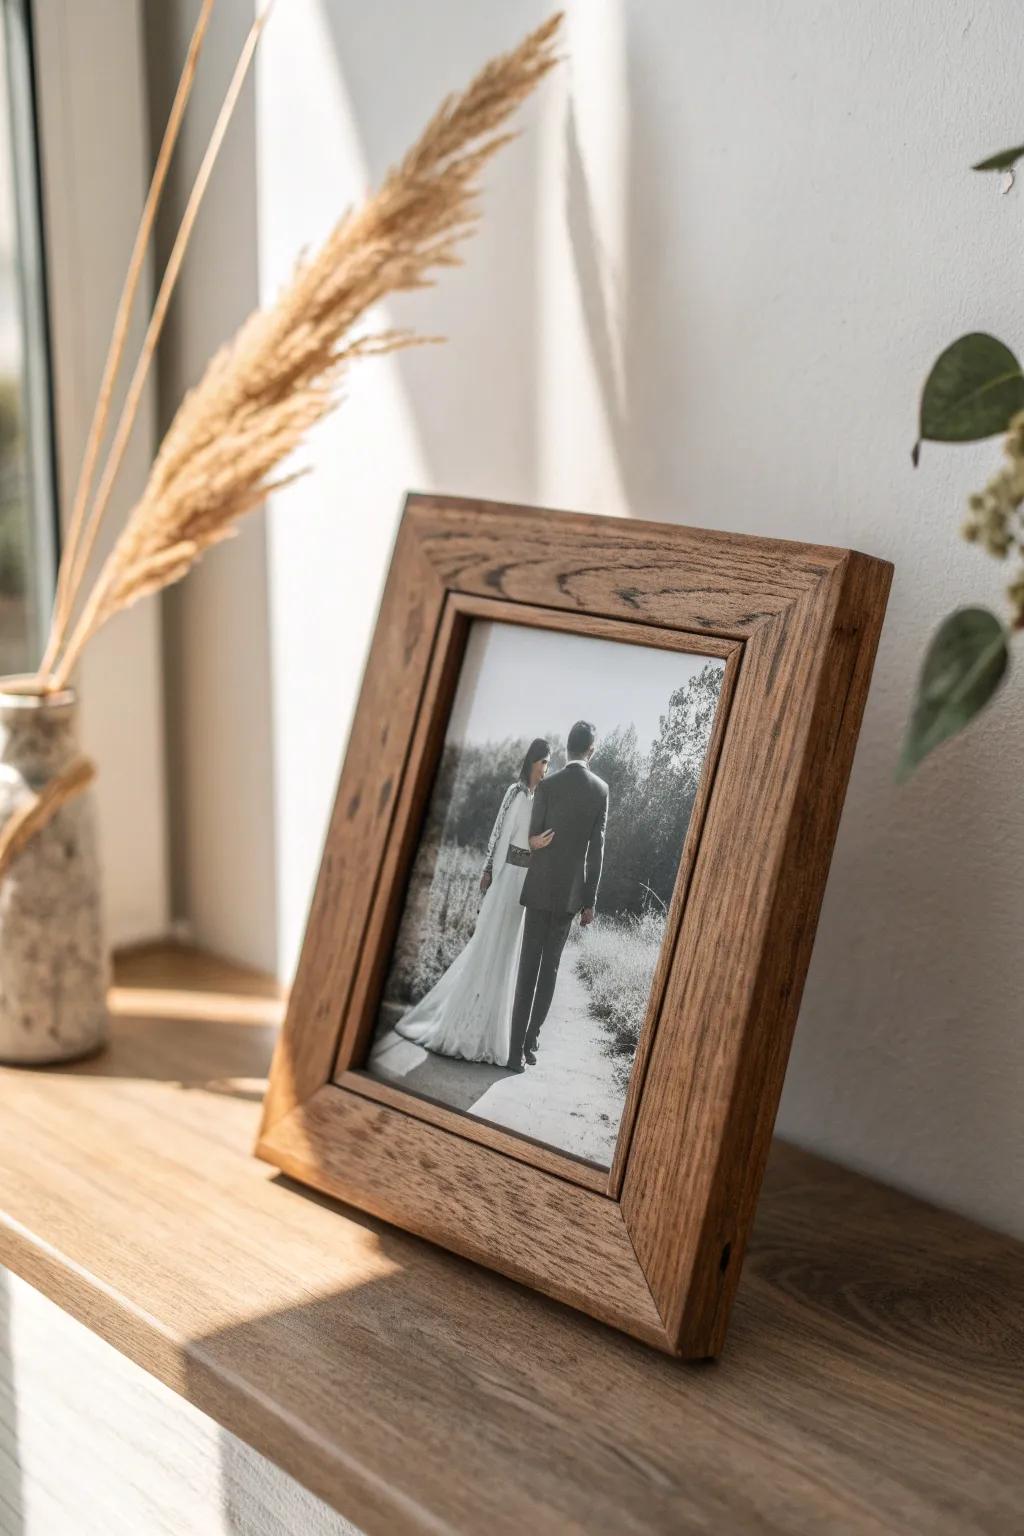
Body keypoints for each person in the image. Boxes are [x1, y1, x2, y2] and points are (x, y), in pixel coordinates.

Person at [392, 739, 551, 1064]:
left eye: (548, 764)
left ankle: (493, 1030)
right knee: (488, 948)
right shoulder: (515, 792)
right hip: (506, 879)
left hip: (523, 884)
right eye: (543, 762)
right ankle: (463, 1027)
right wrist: (488, 870)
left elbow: (530, 840)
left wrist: (536, 847)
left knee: (507, 955)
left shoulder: (539, 798)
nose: (545, 769)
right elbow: (499, 833)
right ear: (532, 761)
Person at [507, 720, 608, 1072]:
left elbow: (534, 837)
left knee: (528, 967)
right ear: (591, 751)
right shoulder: (600, 790)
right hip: (569, 896)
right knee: (549, 969)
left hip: (537, 889)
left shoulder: (547, 785)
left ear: (567, 748)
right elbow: (597, 851)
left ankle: (513, 1051)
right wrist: (590, 900)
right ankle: (531, 1037)